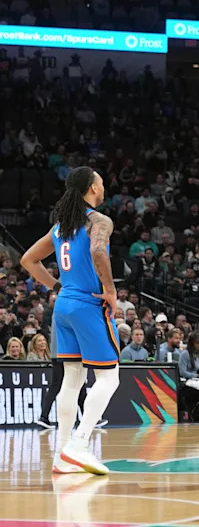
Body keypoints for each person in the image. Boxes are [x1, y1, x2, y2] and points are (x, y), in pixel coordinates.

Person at [20, 167, 119, 475]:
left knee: (72, 379)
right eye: (100, 183)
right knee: (109, 378)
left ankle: (63, 454)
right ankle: (79, 443)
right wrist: (111, 290)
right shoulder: (99, 221)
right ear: (91, 188)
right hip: (88, 304)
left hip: (62, 306)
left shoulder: (62, 226)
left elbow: (27, 260)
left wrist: (56, 286)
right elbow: (98, 250)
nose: (104, 188)